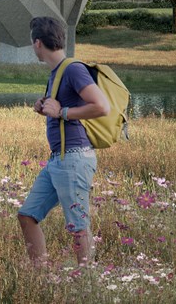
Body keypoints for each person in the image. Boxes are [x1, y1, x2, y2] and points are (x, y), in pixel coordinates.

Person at [17, 15, 110, 267]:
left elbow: (102, 107)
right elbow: (62, 106)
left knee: (77, 225)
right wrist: (45, 106)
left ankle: (85, 280)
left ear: (37, 43)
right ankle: (41, 275)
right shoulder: (57, 73)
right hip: (58, 159)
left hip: (75, 157)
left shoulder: (73, 69)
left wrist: (63, 112)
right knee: (27, 215)